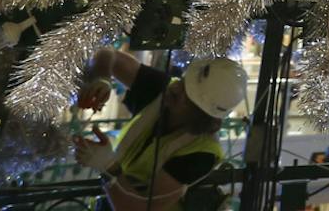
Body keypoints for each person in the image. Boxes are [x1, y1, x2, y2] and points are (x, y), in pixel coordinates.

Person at [73, 48, 246, 211]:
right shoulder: (162, 91)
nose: (175, 87)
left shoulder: (201, 154)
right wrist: (102, 79)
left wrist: (108, 166)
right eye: (182, 82)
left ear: (199, 113)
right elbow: (108, 55)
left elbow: (141, 208)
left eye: (185, 94)